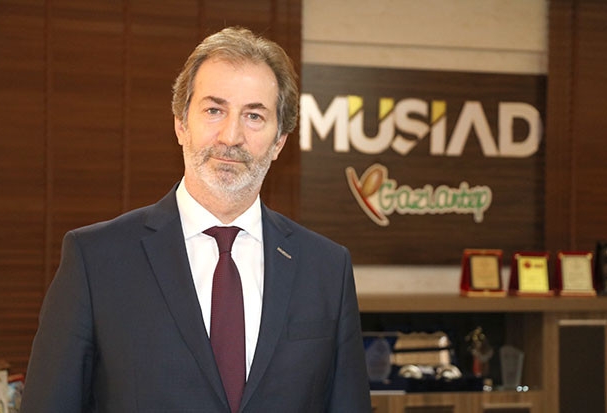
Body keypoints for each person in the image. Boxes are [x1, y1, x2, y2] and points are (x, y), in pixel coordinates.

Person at [20, 26, 371, 412]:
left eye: (254, 116)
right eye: (214, 110)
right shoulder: (96, 259)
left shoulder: (326, 268)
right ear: (181, 124)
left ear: (279, 142)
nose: (231, 136)